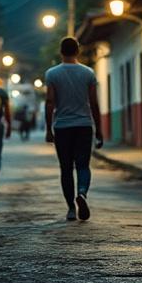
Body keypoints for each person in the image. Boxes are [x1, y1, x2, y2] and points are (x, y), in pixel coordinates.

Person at [44, 37, 104, 221]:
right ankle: (83, 193)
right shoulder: (88, 73)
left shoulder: (52, 74)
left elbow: (49, 102)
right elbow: (93, 103)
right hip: (84, 125)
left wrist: (48, 129)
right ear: (77, 51)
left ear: (61, 52)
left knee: (66, 168)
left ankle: (71, 208)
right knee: (83, 165)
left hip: (62, 127)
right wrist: (99, 129)